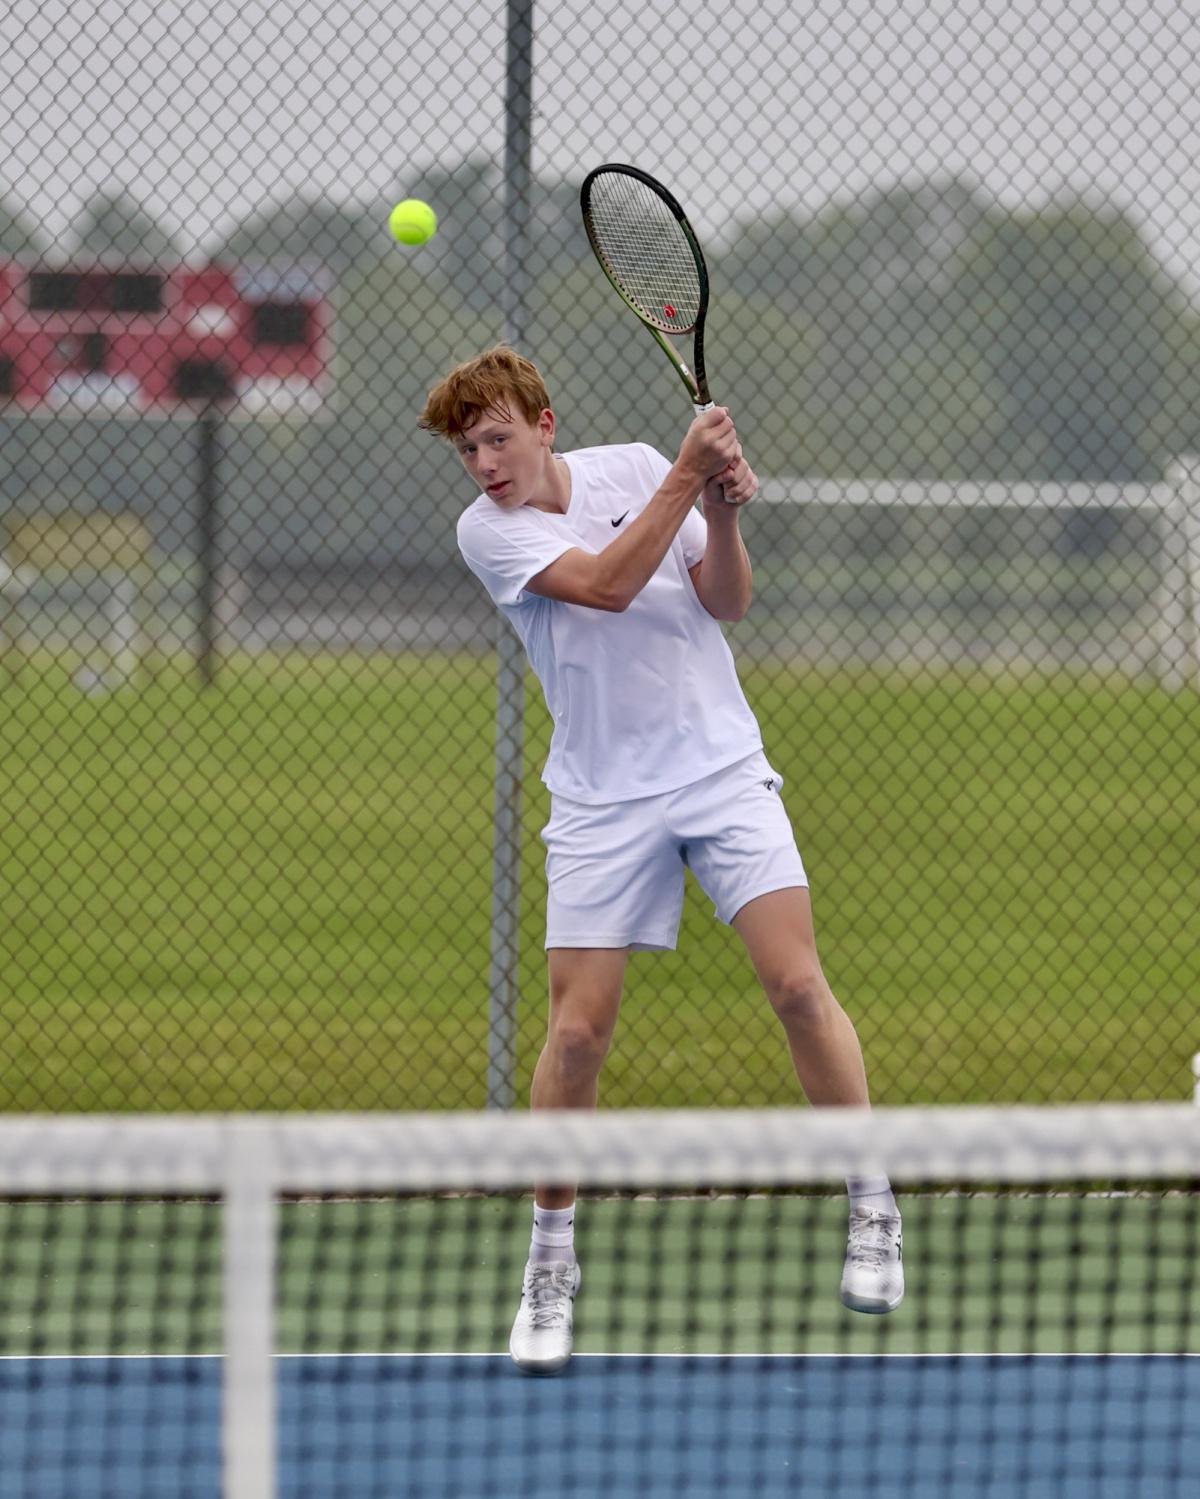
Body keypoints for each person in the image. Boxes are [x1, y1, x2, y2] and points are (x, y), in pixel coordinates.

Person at [420, 346, 903, 1375]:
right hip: (600, 798)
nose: (484, 461)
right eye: (468, 448)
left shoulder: (635, 464)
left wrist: (721, 512)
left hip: (721, 767)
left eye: (497, 436)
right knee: (581, 1031)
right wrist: (691, 473)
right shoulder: (489, 531)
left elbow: (725, 601)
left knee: (798, 985)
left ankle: (872, 1203)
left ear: (543, 423)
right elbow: (602, 583)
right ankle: (551, 1259)